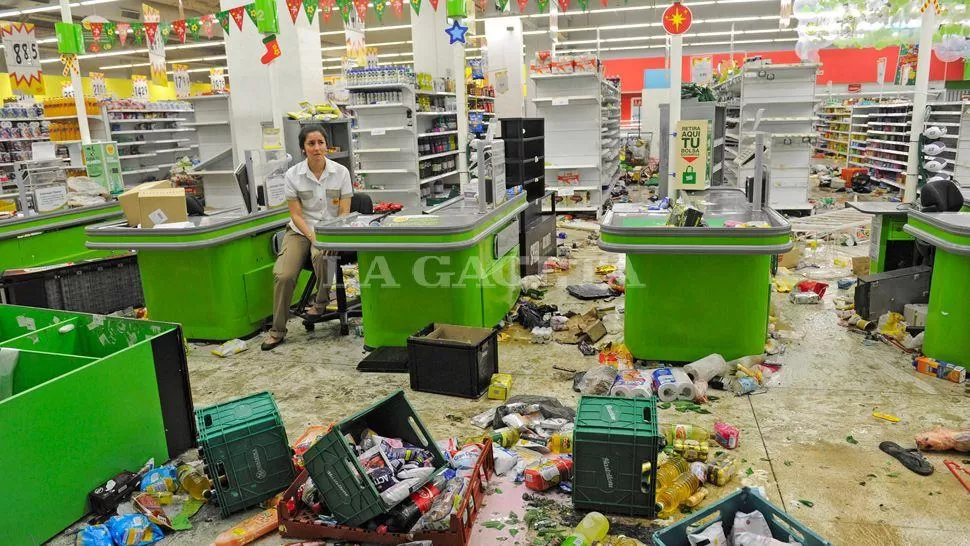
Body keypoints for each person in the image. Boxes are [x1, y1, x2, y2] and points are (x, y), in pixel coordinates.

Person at [262, 124, 352, 351]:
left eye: (320, 142)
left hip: (331, 229)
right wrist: (313, 237)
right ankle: (278, 330)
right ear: (303, 148)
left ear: (326, 146)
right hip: (300, 230)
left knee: (323, 256)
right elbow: (296, 215)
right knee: (283, 275)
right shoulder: (293, 175)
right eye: (311, 143)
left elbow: (344, 212)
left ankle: (321, 302)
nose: (317, 148)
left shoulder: (341, 173)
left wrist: (329, 238)